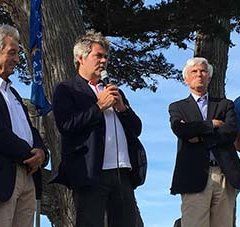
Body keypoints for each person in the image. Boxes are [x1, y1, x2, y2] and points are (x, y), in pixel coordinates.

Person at [52, 30, 145, 227]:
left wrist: (122, 108)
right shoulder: (67, 89)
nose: (103, 61)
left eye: (106, 57)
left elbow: (136, 129)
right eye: (98, 55)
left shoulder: (114, 91)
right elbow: (67, 125)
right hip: (91, 171)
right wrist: (98, 107)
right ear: (80, 58)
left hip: (122, 172)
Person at [168, 57, 240, 227]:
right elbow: (181, 130)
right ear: (186, 78)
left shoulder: (225, 105)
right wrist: (212, 124)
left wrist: (197, 133)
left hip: (224, 175)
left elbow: (229, 133)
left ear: (209, 77)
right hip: (193, 175)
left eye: (203, 71)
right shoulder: (177, 107)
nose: (199, 74)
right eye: (194, 71)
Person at [0, 24, 49, 227]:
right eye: (12, 52)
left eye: (18, 54)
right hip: (4, 176)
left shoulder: (14, 94)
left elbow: (31, 130)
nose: (17, 60)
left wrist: (42, 153)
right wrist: (30, 154)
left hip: (27, 177)